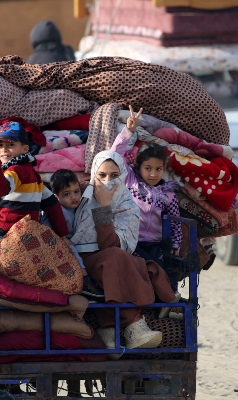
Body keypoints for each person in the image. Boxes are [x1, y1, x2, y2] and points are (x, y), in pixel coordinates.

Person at [70, 150, 178, 358]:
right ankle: (134, 324)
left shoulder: (128, 206)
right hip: (81, 261)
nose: (107, 181)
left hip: (111, 260)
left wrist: (104, 207)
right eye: (102, 175)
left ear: (123, 176)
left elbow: (111, 245)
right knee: (121, 260)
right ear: (93, 175)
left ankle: (110, 328)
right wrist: (102, 205)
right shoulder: (80, 197)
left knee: (128, 261)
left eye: (114, 175)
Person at [111, 105, 183, 293]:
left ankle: (170, 301)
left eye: (158, 169)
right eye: (148, 168)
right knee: (142, 270)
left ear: (164, 168)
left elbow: (175, 221)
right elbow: (115, 156)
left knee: (164, 272)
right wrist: (128, 131)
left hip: (155, 244)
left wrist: (176, 244)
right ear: (138, 166)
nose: (153, 174)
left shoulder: (168, 193)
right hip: (131, 242)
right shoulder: (131, 181)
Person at [41, 169, 105, 298]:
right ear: (56, 197)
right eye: (66, 194)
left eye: (76, 191)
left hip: (77, 244)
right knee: (71, 249)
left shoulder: (81, 207)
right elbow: (46, 231)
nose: (74, 197)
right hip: (57, 245)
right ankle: (85, 280)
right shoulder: (56, 211)